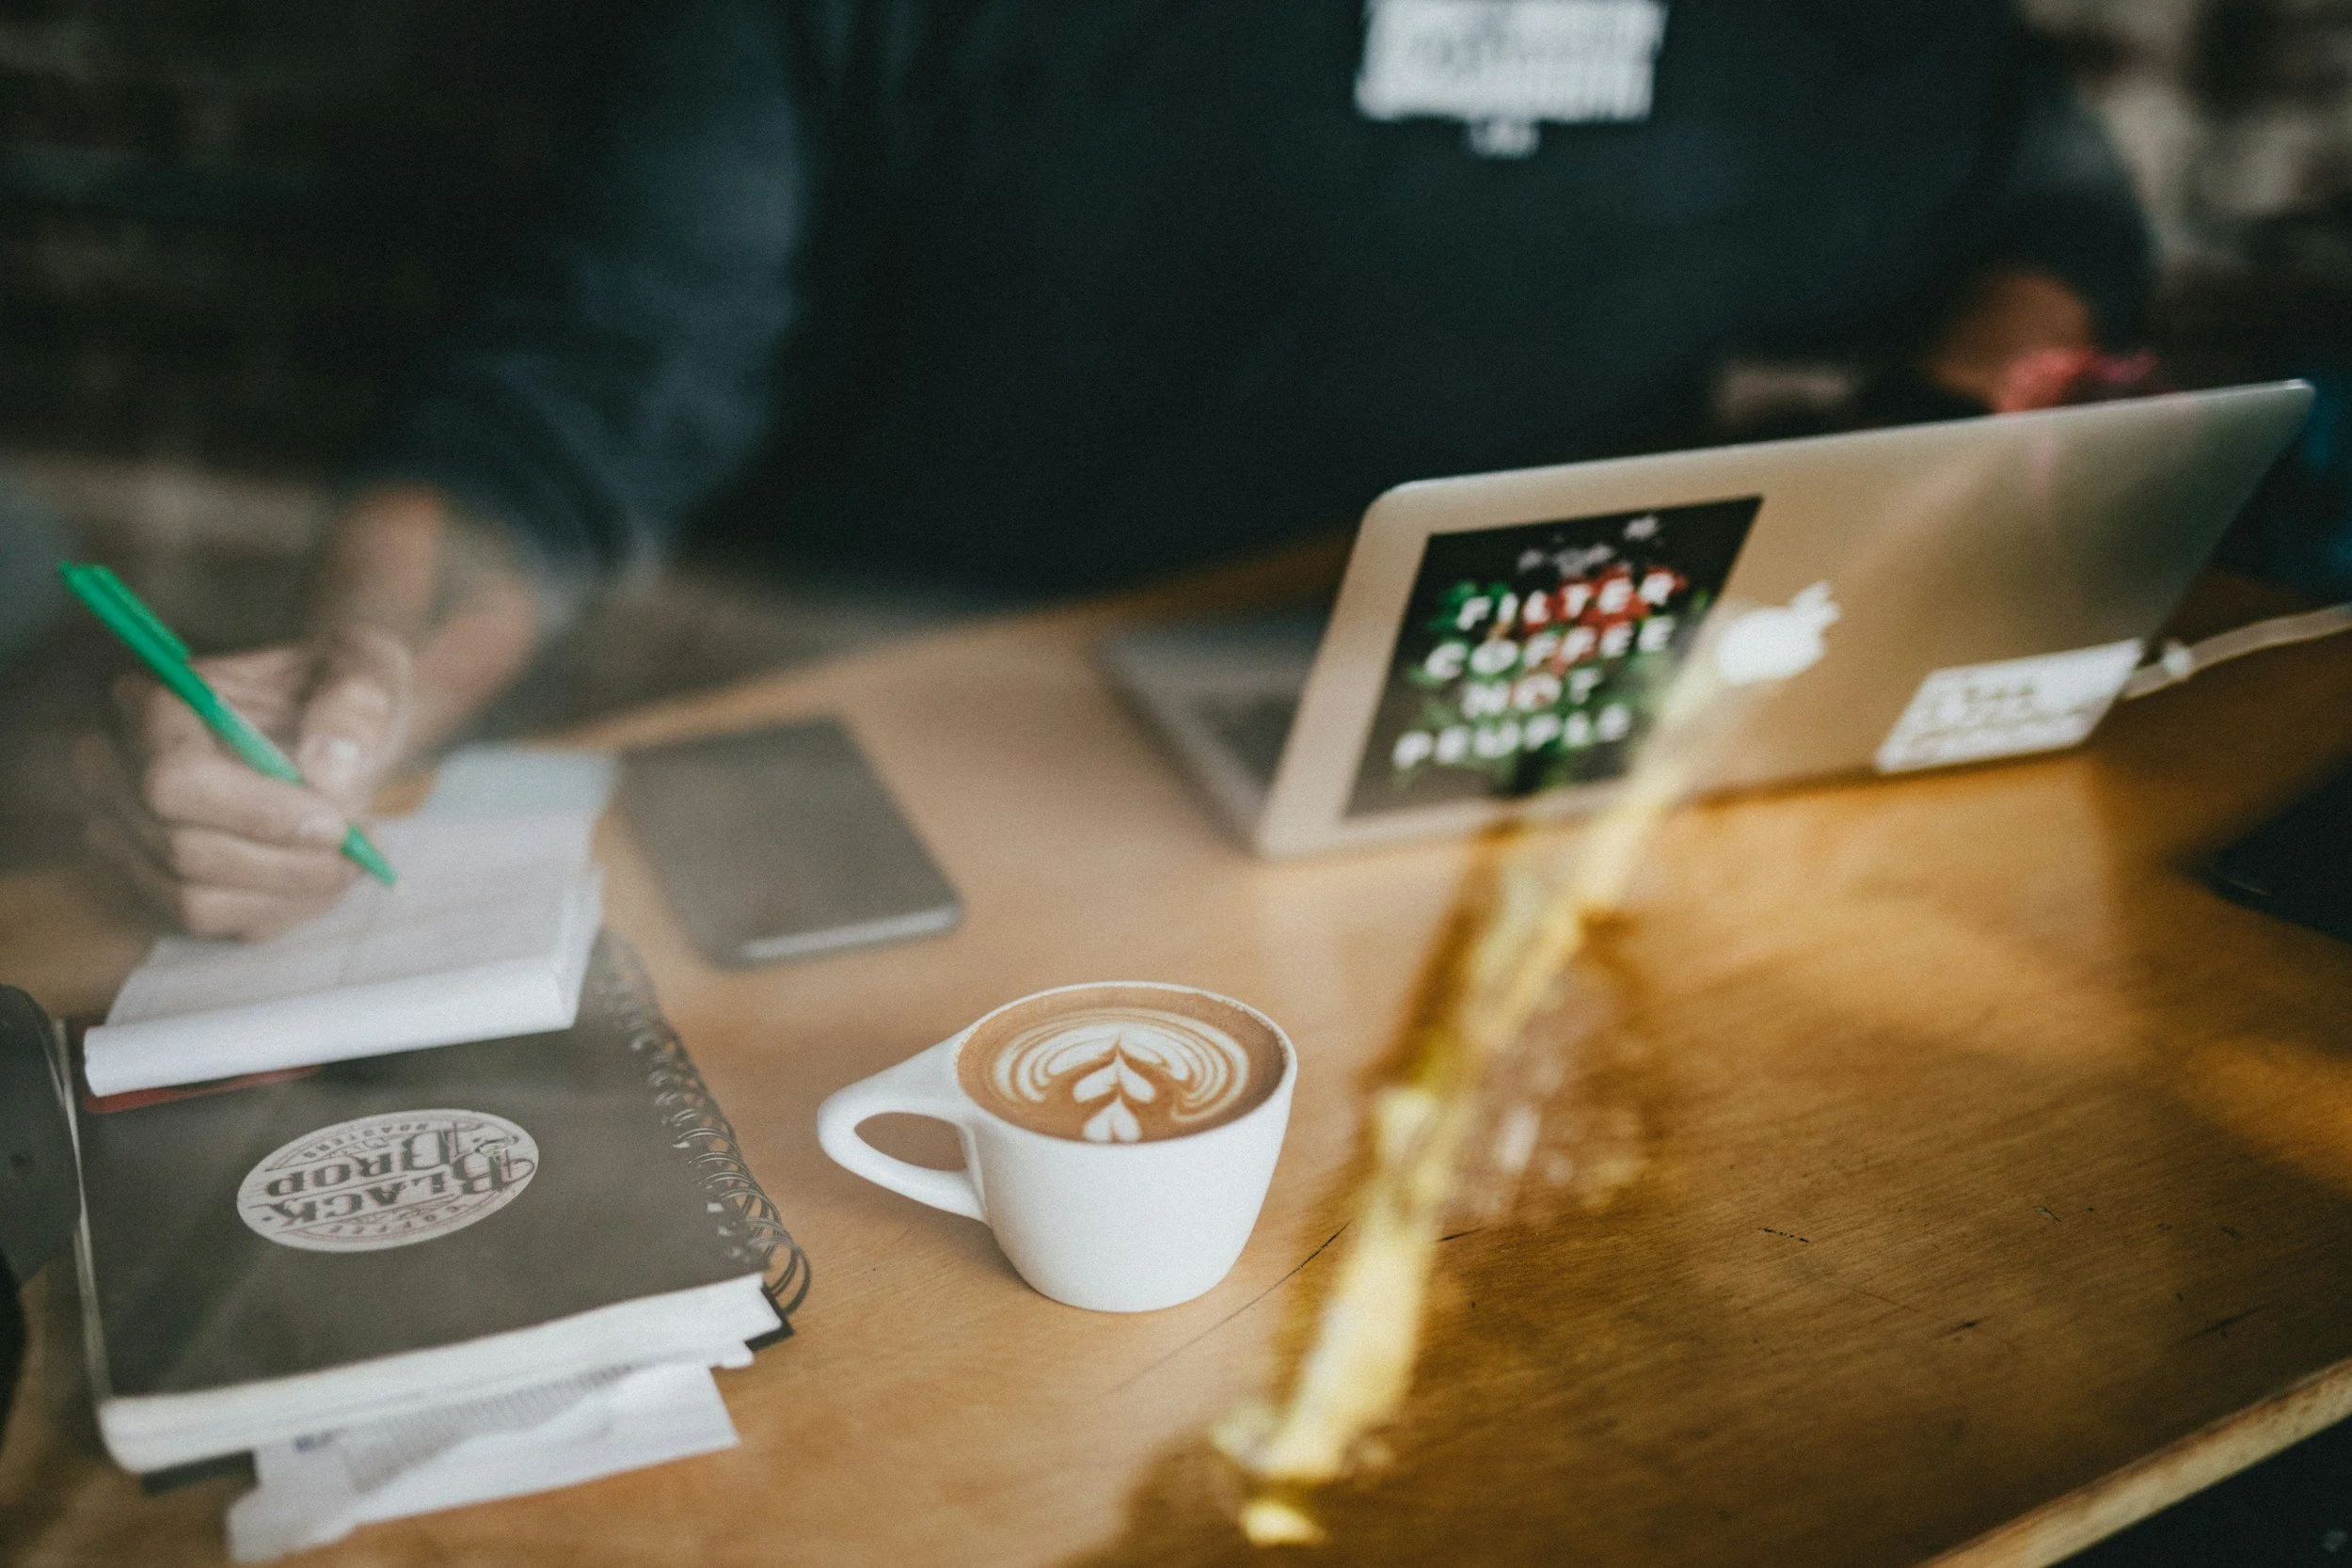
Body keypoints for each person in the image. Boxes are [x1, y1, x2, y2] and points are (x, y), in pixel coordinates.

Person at [77, 0, 2153, 939]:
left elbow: (2035, 185)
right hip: (920, 823)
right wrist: (347, 687)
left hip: (1522, 815)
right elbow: (575, 398)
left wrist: (1972, 408)